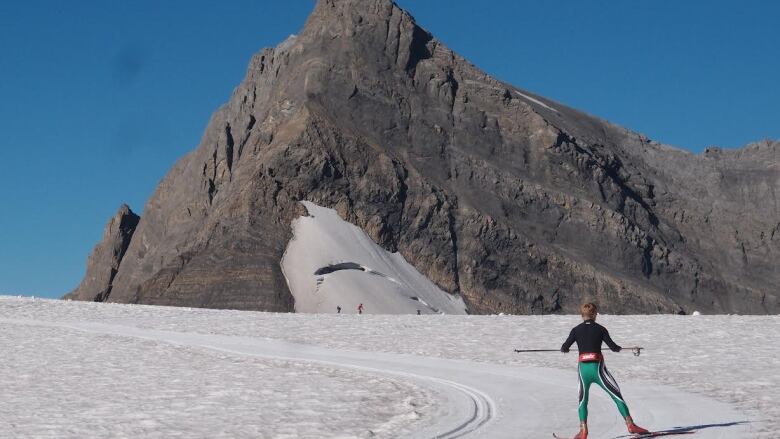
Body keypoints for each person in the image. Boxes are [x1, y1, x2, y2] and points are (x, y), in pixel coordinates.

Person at [560, 303, 649, 439]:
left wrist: (565, 349)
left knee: (583, 400)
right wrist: (627, 348)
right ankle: (630, 424)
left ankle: (583, 431)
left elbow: (564, 347)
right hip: (598, 370)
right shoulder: (601, 329)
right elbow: (613, 347)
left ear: (581, 315)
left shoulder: (575, 330)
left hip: (583, 370)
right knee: (616, 395)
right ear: (595, 314)